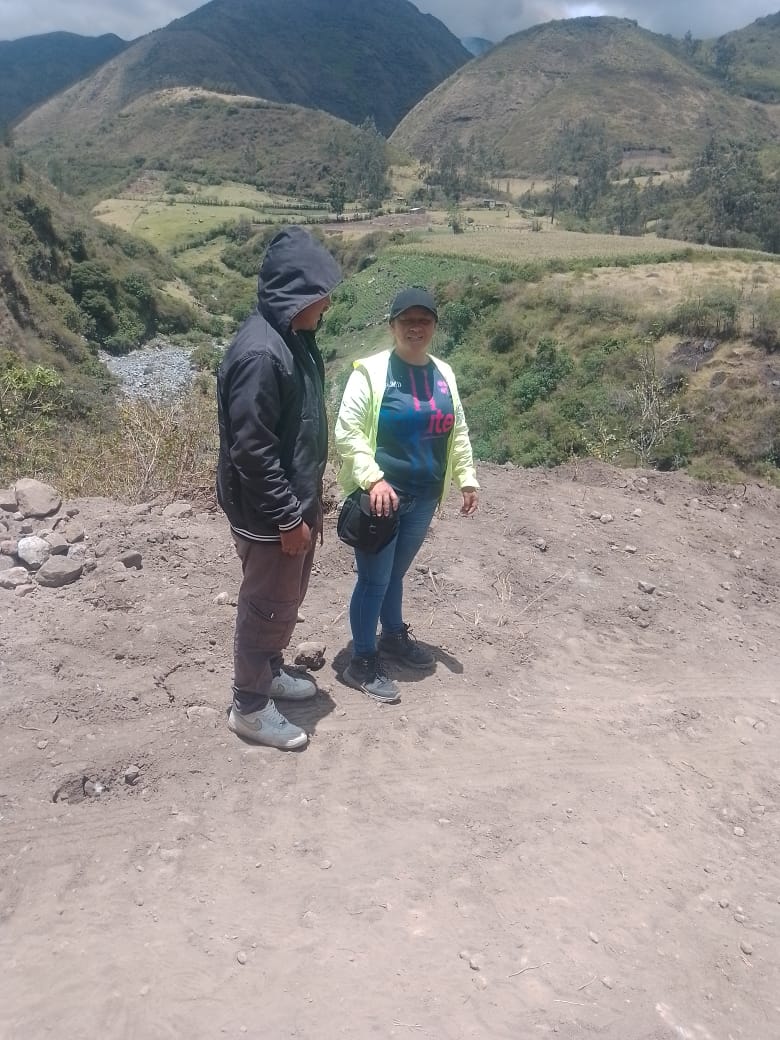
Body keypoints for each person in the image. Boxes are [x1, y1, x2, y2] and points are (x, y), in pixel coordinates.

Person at [216, 226, 341, 750]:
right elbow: (252, 451)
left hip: (291, 504)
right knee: (266, 604)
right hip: (271, 514)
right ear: (296, 293)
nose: (327, 304)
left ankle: (268, 671)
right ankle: (249, 707)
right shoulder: (262, 355)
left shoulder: (293, 339)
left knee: (283, 599)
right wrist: (288, 517)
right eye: (321, 294)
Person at [334, 287, 479, 703]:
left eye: (424, 321)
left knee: (394, 575)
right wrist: (373, 479)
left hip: (425, 495)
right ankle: (361, 661)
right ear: (392, 326)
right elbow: (348, 430)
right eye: (407, 321)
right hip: (381, 499)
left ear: (434, 326)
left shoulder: (443, 373)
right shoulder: (370, 372)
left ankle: (393, 636)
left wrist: (466, 477)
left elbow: (457, 430)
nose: (416, 328)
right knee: (374, 579)